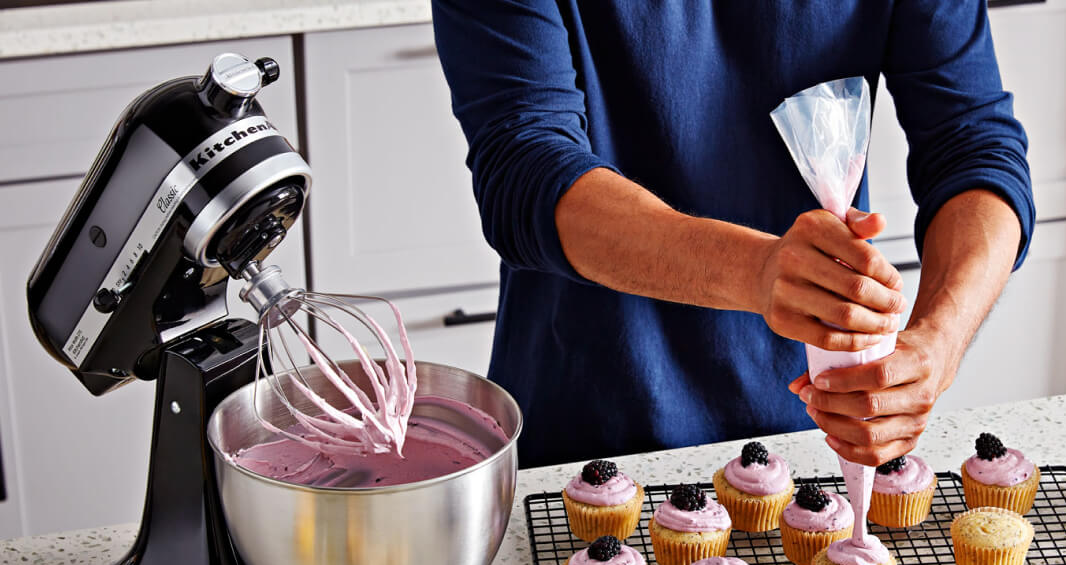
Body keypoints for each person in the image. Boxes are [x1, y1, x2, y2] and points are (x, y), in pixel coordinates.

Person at [432, 1, 1034, 468]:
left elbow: (975, 148)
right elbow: (527, 171)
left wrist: (937, 344)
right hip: (589, 437)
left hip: (823, 436)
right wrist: (758, 271)